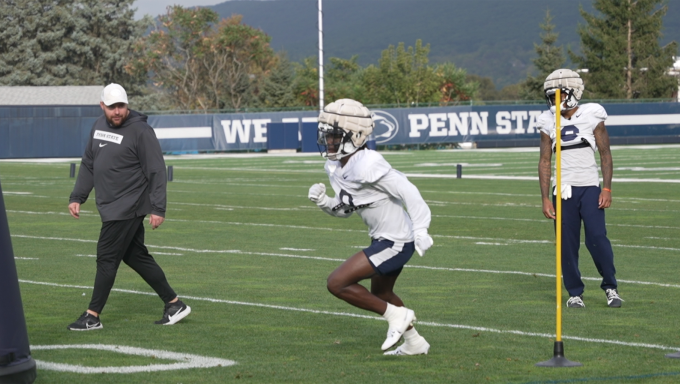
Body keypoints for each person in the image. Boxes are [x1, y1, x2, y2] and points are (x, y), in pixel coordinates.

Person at [307, 99, 433, 355]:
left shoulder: (368, 163)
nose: (328, 141)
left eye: (334, 136)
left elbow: (409, 191)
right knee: (382, 293)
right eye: (327, 136)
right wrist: (324, 202)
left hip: (397, 242)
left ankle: (396, 317)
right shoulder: (336, 165)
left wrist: (421, 229)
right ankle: (415, 343)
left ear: (355, 136)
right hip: (384, 240)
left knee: (337, 283)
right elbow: (346, 209)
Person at [67, 83, 191, 330]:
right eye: (112, 107)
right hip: (109, 204)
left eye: (121, 106)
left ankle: (92, 316)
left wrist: (158, 208)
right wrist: (78, 196)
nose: (117, 111)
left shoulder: (141, 131)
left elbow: (156, 170)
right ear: (102, 106)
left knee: (106, 258)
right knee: (136, 256)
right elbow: (89, 164)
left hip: (127, 206)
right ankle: (174, 304)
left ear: (127, 105)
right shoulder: (97, 127)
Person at [537, 69, 622, 309]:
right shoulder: (547, 120)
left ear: (572, 93)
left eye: (558, 95)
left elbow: (605, 154)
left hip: (589, 188)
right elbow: (545, 161)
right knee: (567, 244)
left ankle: (611, 287)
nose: (555, 101)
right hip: (563, 191)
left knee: (597, 238)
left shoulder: (591, 114)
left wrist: (606, 188)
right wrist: (545, 197)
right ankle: (575, 292)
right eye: (551, 96)